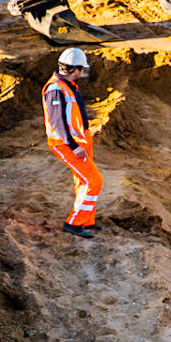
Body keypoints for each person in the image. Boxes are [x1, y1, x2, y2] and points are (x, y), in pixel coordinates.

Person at [42, 47, 102, 238]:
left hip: (80, 140)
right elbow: (57, 122)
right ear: (75, 69)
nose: (82, 73)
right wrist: (73, 146)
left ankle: (86, 220)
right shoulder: (55, 89)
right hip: (66, 144)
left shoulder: (68, 85)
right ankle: (73, 224)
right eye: (81, 69)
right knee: (94, 180)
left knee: (83, 181)